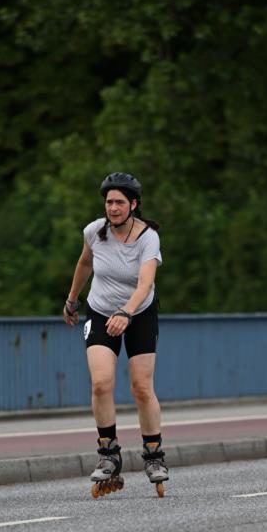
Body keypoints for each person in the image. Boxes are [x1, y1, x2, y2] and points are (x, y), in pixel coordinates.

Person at [63, 172, 169, 497]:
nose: (113, 208)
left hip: (139, 314)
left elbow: (145, 283)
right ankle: (109, 454)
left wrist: (126, 312)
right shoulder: (95, 232)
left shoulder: (147, 237)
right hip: (100, 312)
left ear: (133, 204)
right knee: (101, 383)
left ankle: (153, 455)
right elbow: (84, 264)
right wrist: (71, 300)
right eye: (109, 202)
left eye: (119, 202)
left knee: (140, 386)